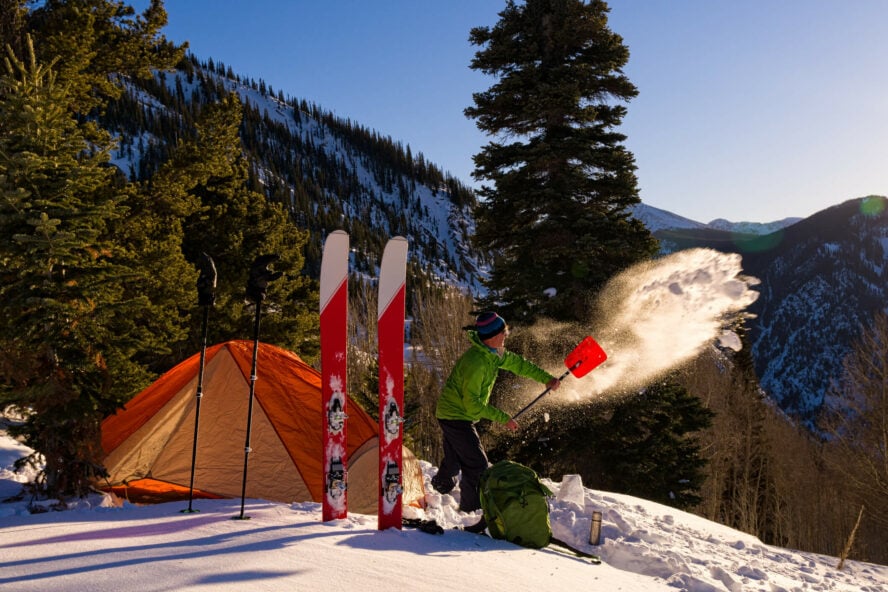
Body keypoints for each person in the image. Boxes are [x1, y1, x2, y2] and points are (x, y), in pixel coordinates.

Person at [431, 311, 560, 532]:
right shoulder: (477, 362)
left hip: (455, 414)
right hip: (456, 416)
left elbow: (519, 365)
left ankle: (438, 491)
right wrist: (503, 418)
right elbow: (472, 405)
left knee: (454, 460)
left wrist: (545, 378)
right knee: (477, 464)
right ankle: (471, 512)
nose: (507, 334)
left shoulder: (494, 353)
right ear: (492, 336)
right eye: (504, 331)